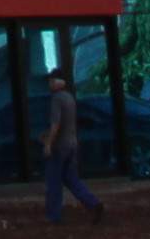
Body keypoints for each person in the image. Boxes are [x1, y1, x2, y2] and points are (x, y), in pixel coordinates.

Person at [41, 68, 105, 221]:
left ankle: (54, 216)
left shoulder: (56, 99)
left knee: (54, 181)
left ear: (57, 82)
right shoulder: (70, 97)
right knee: (71, 178)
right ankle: (92, 202)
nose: (49, 83)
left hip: (60, 146)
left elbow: (56, 124)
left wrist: (48, 143)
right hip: (72, 143)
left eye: (51, 80)